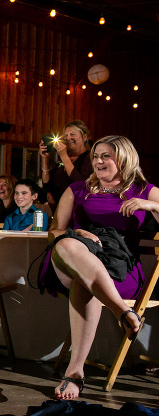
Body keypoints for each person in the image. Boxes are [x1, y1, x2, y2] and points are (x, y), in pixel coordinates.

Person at [38, 135, 159, 400]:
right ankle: (123, 312)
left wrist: (150, 205)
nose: (98, 161)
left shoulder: (145, 190)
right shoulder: (78, 189)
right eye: (95, 156)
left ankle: (75, 373)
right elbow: (54, 231)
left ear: (124, 158)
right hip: (72, 258)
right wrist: (75, 232)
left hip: (120, 267)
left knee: (86, 282)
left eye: (106, 156)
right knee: (68, 244)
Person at [40, 120, 93, 210]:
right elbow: (47, 184)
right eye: (66, 135)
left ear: (84, 137)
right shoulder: (63, 159)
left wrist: (64, 155)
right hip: (59, 209)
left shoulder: (89, 158)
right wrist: (45, 158)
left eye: (72, 134)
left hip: (77, 210)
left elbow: (80, 183)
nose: (68, 138)